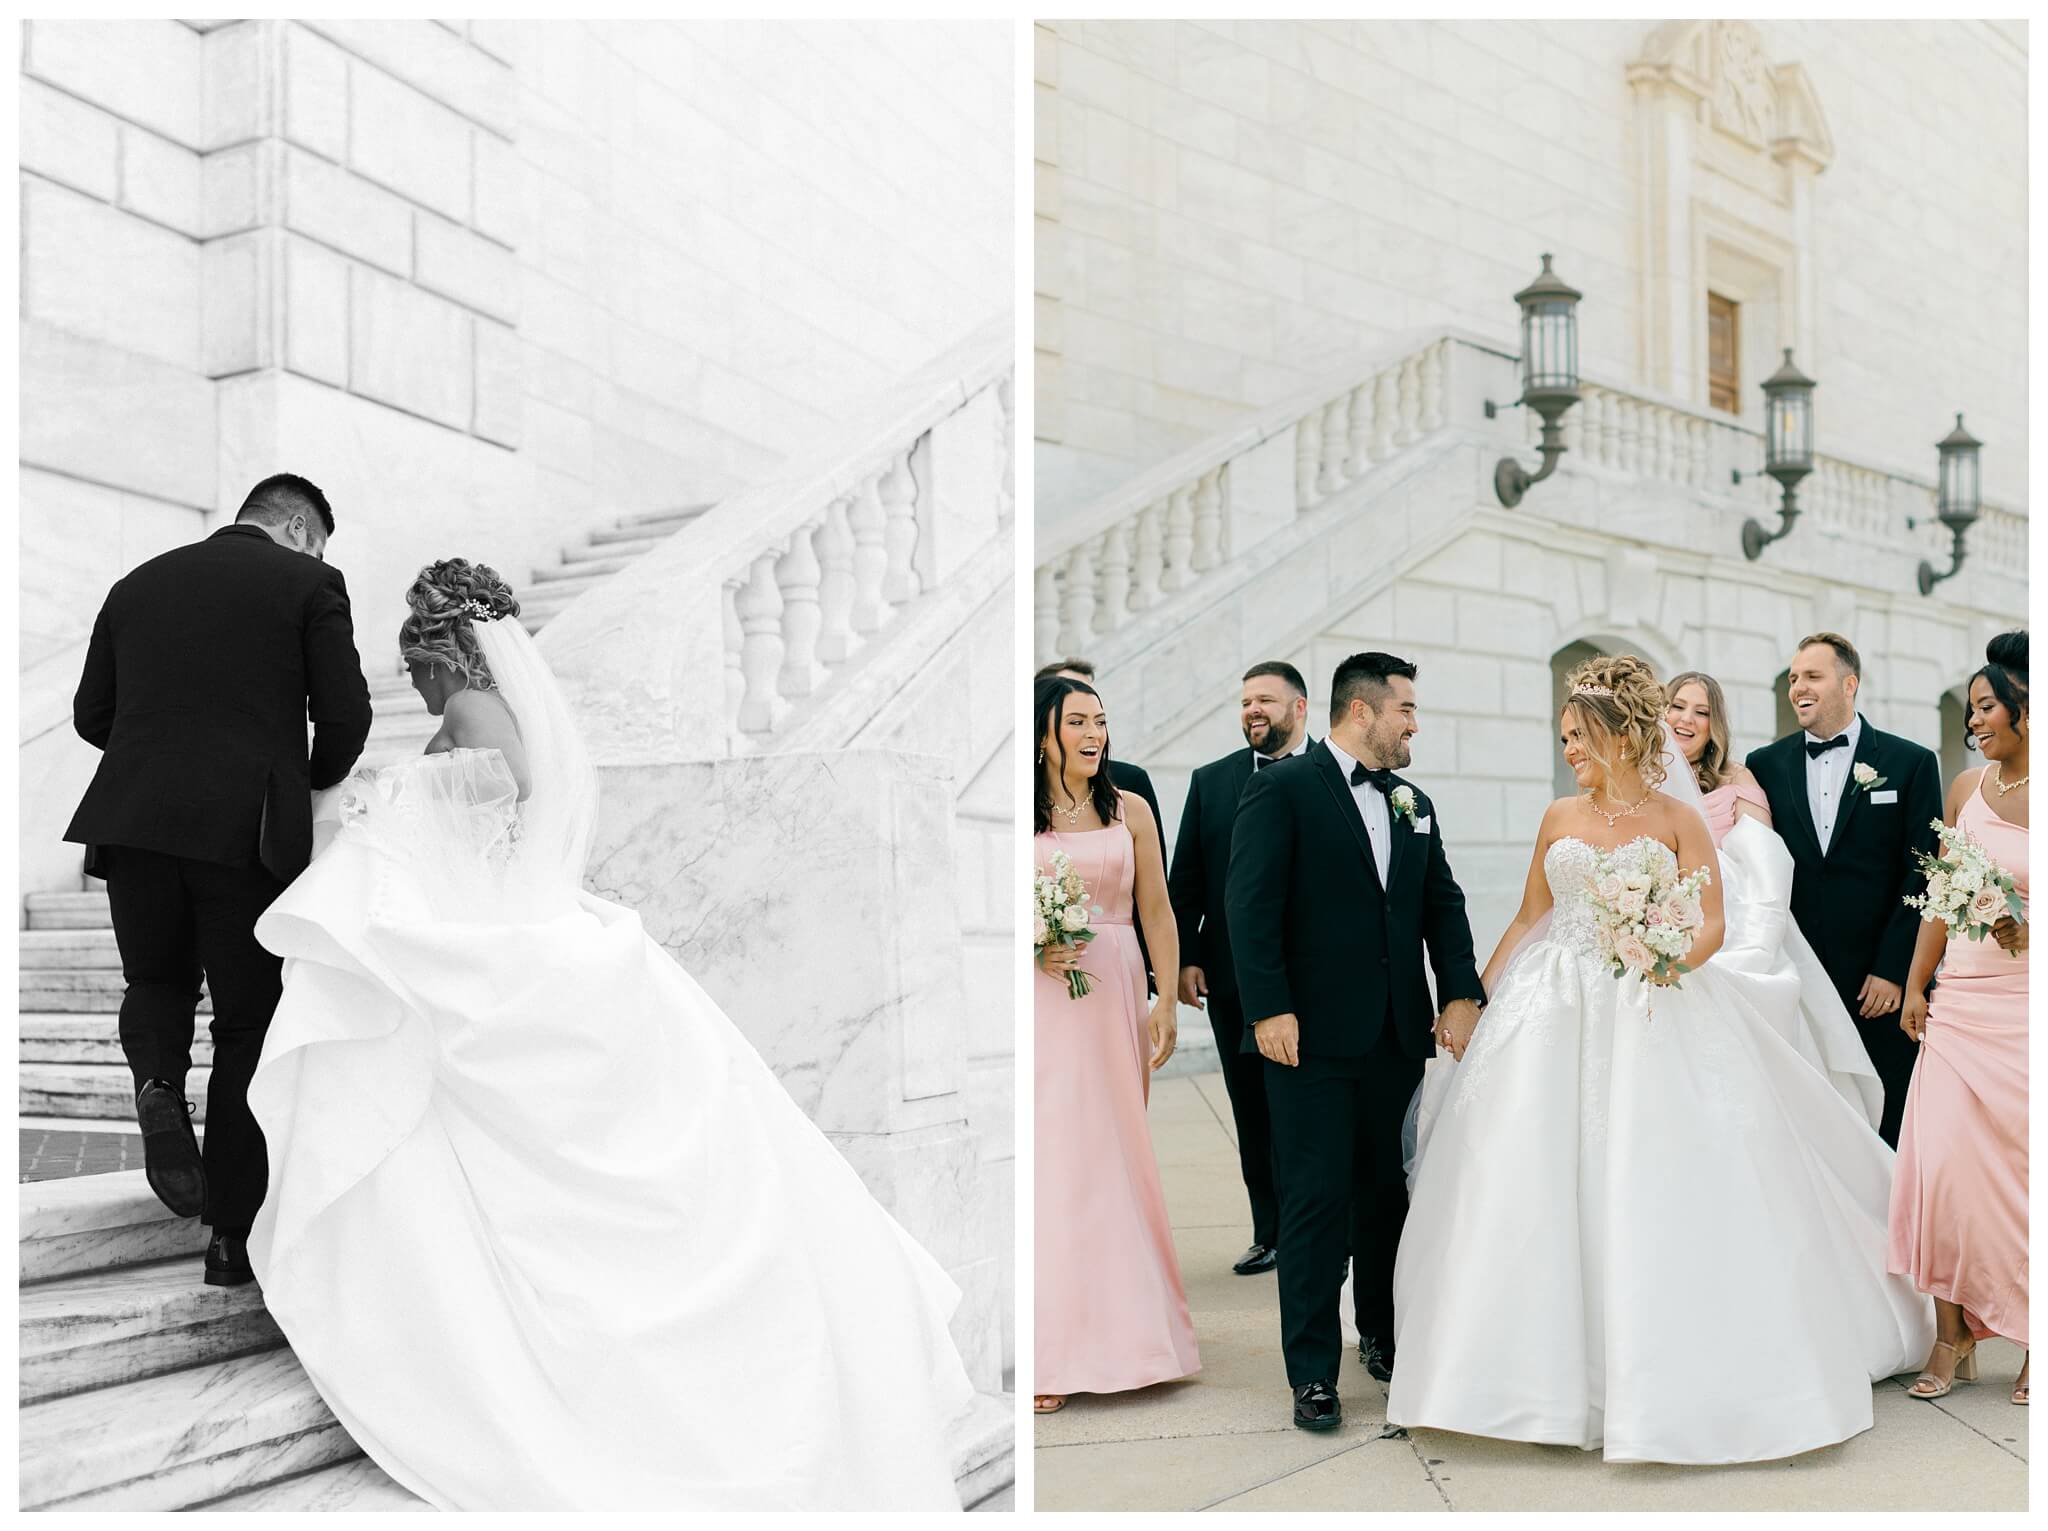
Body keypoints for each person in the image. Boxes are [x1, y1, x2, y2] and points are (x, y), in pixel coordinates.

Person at [245, 560, 974, 1509]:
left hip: (504, 940)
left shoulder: (472, 713)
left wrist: (394, 806)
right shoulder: (500, 705)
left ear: (446, 651)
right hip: (529, 927)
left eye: (416, 665)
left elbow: (497, 793)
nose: (414, 685)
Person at [1389, 654, 1931, 1465]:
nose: (1568, 748)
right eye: (1564, 736)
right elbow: (1532, 916)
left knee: (1654, 1173)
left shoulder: (1678, 819)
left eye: (1578, 734)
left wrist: (1663, 956)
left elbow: (1712, 920)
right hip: (1554, 1005)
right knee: (1531, 1174)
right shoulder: (1558, 815)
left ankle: (1663, 1377)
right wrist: (1479, 994)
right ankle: (1521, 1378)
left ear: (1617, 732)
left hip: (1653, 996)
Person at [64, 474, 373, 1285]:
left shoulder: (137, 584)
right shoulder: (312, 583)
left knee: (157, 980)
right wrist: (300, 783)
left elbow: (92, 714)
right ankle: (231, 1237)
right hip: (244, 835)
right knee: (246, 1021)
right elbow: (345, 715)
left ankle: (159, 1083)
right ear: (301, 528)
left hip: (129, 825)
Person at [1225, 652, 1483, 1431]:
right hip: (1306, 1039)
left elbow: (1442, 903)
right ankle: (1311, 1373)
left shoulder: (1414, 801)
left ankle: (1382, 1336)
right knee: (1313, 1202)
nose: (1414, 724)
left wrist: (1462, 991)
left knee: (1384, 1197)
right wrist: (1269, 1007)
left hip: (1395, 1035)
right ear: (1362, 711)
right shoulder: (1282, 788)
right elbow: (1250, 905)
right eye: (1405, 708)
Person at [1032, 673, 1198, 1416]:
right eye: (1077, 722)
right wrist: (1035, 946)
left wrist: (1165, 998)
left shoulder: (1129, 809)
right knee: (1061, 1159)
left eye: (1100, 720)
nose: (1093, 733)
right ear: (1046, 733)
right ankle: (1056, 1346)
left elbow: (1158, 909)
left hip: (1121, 990)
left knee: (1119, 1154)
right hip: (1047, 1001)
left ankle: (1137, 1337)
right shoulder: (1021, 815)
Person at [1890, 630, 2029, 1407]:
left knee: (2021, 1176)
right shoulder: (1963, 791)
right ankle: (1954, 1335)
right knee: (1941, 1169)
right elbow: (1943, 899)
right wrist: (1916, 983)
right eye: (1970, 707)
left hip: (2026, 1009)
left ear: (2025, 707)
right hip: (1960, 1002)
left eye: (1985, 707)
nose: (1973, 720)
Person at [1745, 634, 1942, 1145]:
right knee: (1811, 1113)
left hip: (1879, 985)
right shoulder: (1764, 765)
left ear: (1849, 684)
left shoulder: (1911, 763)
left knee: (1890, 1113)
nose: (1797, 687)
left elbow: (1923, 872)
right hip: (1799, 973)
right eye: (1792, 678)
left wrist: (1895, 970)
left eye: (1812, 676)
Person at [1665, 670, 1885, 1125]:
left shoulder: (1734, 779)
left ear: (1714, 728)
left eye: (1701, 712)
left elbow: (1766, 864)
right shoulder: (1637, 779)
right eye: (1677, 706)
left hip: (1730, 929)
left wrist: (1757, 948)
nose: (1686, 720)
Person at [1169, 661, 1312, 1277]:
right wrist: (1186, 959)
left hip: (1312, 978)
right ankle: (1270, 1232)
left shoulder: (1331, 775)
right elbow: (1186, 881)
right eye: (1246, 701)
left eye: (1267, 701)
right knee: (1252, 1112)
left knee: (1309, 1116)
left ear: (1299, 708)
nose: (1254, 710)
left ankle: (1321, 1237)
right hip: (1231, 979)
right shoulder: (1211, 782)